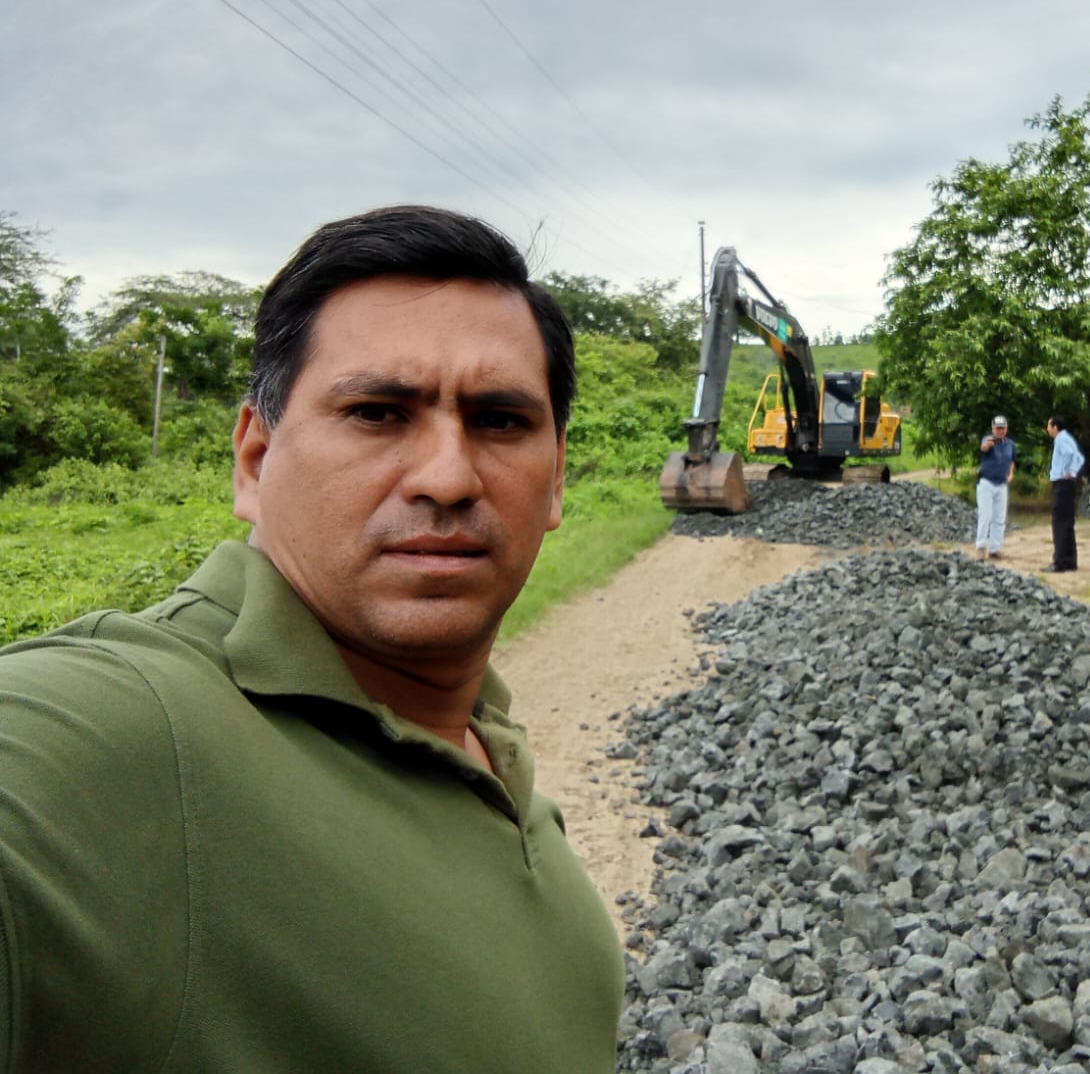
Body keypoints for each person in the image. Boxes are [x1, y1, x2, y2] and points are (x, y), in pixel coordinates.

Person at [0, 206, 625, 1072]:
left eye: (500, 421)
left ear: (555, 483)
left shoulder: (476, 732)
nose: (449, 476)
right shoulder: (125, 735)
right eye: (376, 412)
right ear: (255, 461)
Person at [1043, 414, 1084, 573]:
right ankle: (1070, 560)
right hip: (1068, 484)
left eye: (1049, 426)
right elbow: (1079, 458)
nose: (1047, 429)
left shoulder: (1061, 439)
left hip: (1062, 484)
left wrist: (1069, 471)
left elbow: (1070, 455)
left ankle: (1059, 562)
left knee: (1059, 523)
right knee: (1067, 523)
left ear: (1055, 427)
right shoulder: (1068, 438)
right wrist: (1073, 470)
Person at [974, 414, 1016, 559]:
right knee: (985, 515)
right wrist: (988, 445)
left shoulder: (1010, 444)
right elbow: (984, 447)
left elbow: (1012, 460)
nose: (1000, 431)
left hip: (1002, 483)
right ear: (993, 429)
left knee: (999, 518)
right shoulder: (988, 439)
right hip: (987, 482)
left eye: (1002, 428)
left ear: (1006, 429)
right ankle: (980, 546)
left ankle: (995, 548)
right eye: (998, 428)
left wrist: (1011, 473)